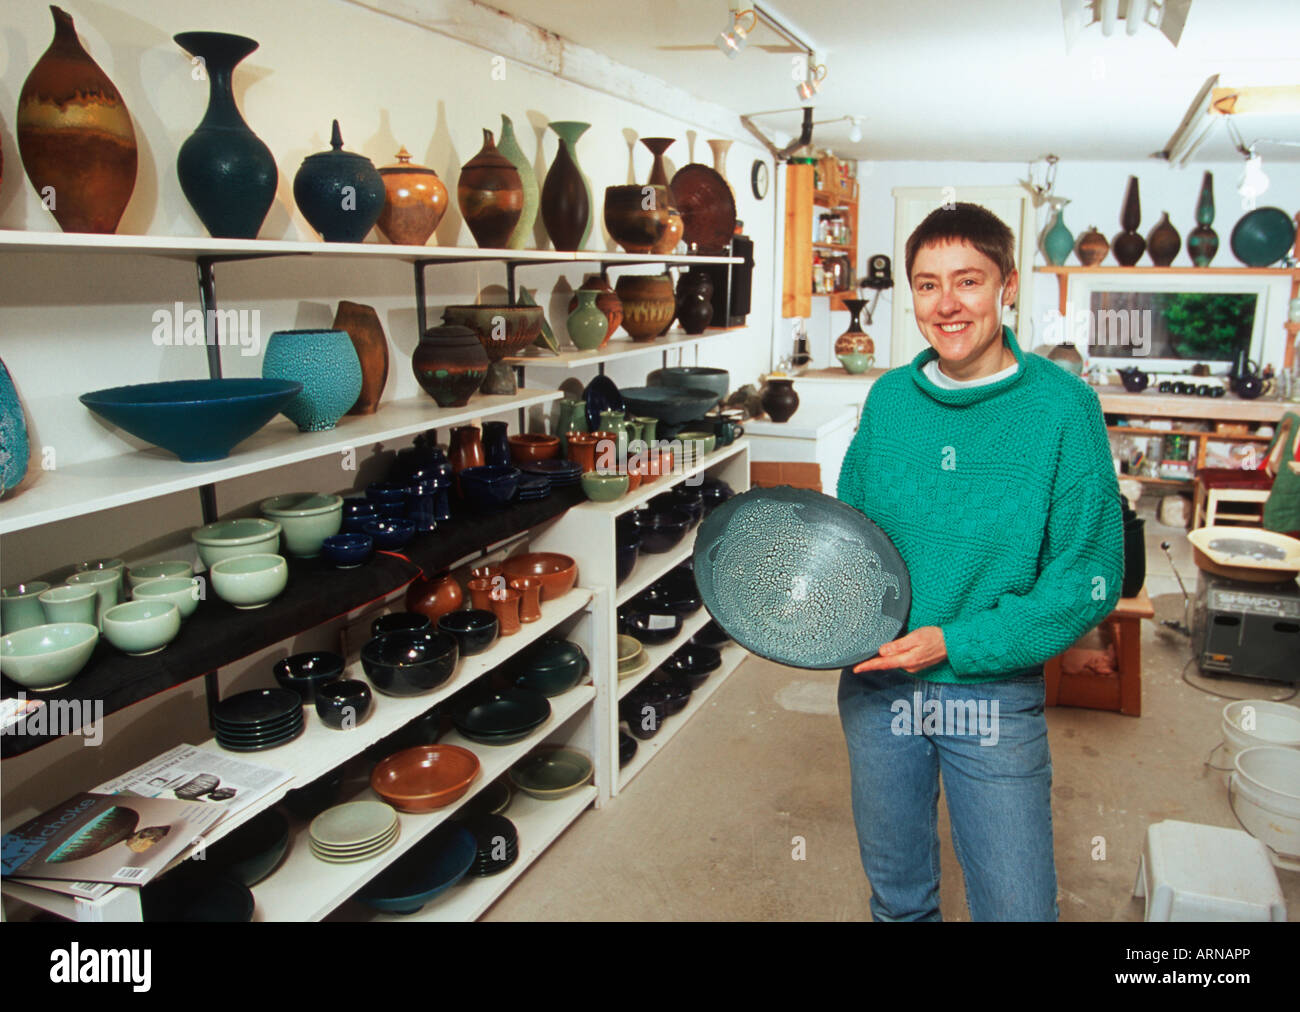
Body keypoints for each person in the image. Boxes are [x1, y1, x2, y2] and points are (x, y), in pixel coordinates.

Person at [835, 202, 1124, 921]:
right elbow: (850, 537)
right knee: (898, 901)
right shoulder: (890, 400)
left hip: (989, 691)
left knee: (1018, 909)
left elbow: (1088, 577)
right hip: (876, 687)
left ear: (1009, 286)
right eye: (928, 284)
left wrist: (956, 642)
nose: (947, 303)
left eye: (968, 280)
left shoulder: (1063, 409)